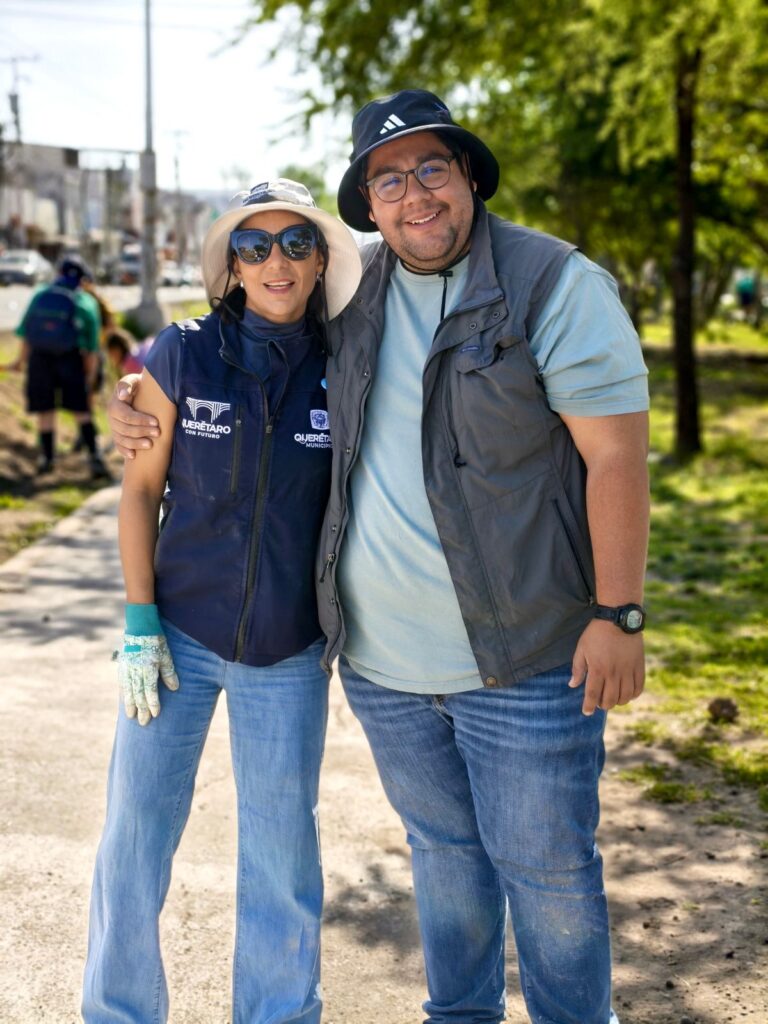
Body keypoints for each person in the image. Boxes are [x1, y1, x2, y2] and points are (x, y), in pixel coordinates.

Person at [109, 90, 650, 1024]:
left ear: (468, 177)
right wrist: (137, 411)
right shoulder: (272, 319)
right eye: (389, 180)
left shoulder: (508, 294)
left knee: (541, 872)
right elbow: (175, 435)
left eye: (432, 169)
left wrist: (618, 613)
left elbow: (615, 454)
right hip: (334, 661)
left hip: (471, 654)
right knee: (434, 858)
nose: (415, 196)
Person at [84, 179, 361, 1024]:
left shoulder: (350, 364)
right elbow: (138, 495)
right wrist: (138, 625)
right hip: (175, 638)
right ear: (232, 266)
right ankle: (119, 1011)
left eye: (295, 244)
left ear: (320, 263)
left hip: (288, 651)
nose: (275, 261)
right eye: (254, 246)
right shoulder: (179, 354)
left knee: (282, 856)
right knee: (134, 839)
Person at [12, 255, 110, 478]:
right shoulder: (85, 302)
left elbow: (26, 333)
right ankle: (94, 457)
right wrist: (90, 376)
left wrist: (20, 362)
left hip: (40, 359)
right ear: (82, 280)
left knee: (45, 410)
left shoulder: (40, 295)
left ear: (58, 274)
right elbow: (91, 348)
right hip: (71, 360)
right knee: (81, 410)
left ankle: (47, 458)